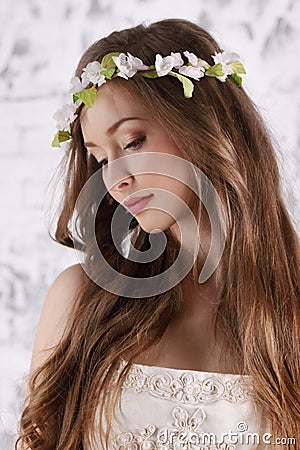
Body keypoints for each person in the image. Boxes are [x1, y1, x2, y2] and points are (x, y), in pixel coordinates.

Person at [16, 18, 299, 450]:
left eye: (132, 142)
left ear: (207, 125)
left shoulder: (289, 314)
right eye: (99, 159)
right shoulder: (80, 302)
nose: (116, 179)